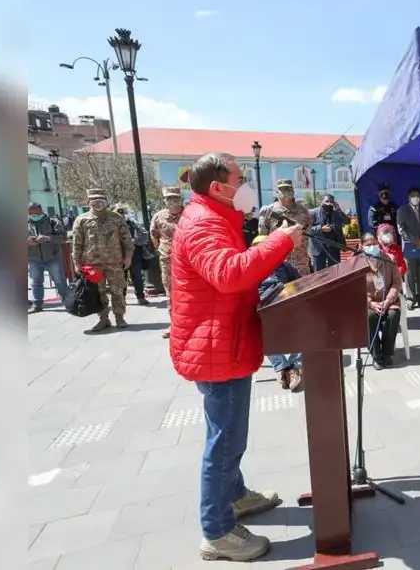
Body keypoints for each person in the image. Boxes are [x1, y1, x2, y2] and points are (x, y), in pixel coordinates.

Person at [170, 152, 303, 561]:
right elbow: (230, 275)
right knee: (225, 441)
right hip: (214, 345)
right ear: (218, 188)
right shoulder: (204, 222)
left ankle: (236, 496)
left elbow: (229, 269)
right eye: (240, 179)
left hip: (221, 338)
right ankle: (218, 532)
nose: (246, 186)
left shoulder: (213, 216)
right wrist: (282, 242)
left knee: (228, 434)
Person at [71, 189, 134, 332]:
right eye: (94, 200)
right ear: (88, 202)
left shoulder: (116, 218)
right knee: (98, 293)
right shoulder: (82, 220)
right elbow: (77, 243)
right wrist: (77, 262)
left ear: (106, 200)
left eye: (101, 199)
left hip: (115, 262)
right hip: (92, 264)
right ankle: (103, 319)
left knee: (117, 290)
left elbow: (127, 239)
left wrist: (128, 256)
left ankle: (120, 317)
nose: (98, 203)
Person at [253, 234, 304, 390]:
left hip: (286, 305)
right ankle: (283, 368)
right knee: (263, 334)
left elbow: (300, 283)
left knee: (303, 326)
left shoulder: (284, 266)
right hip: (263, 308)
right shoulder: (251, 268)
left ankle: (294, 365)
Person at [358, 232, 403, 369]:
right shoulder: (357, 262)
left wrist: (388, 300)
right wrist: (370, 303)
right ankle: (376, 356)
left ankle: (387, 353)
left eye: (374, 243)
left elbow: (397, 282)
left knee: (393, 315)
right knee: (369, 318)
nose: (372, 246)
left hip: (389, 300)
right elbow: (355, 289)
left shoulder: (389, 259)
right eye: (368, 244)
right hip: (368, 303)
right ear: (361, 246)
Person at [150, 186, 185, 338]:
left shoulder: (189, 215)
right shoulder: (158, 217)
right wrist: (164, 250)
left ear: (180, 198)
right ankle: (175, 326)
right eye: (169, 198)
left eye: (175, 198)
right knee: (171, 294)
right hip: (167, 261)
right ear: (164, 200)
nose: (172, 201)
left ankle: (190, 326)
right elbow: (154, 235)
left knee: (189, 294)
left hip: (187, 262)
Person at [259, 180, 312, 276]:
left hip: (300, 264)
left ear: (293, 191)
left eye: (288, 188)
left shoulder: (303, 211)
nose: (286, 191)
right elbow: (262, 238)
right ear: (277, 192)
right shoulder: (269, 211)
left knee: (304, 290)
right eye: (282, 189)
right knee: (281, 291)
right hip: (278, 264)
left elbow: (308, 234)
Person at [27, 201, 70, 313]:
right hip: (33, 258)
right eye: (30, 213)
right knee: (36, 282)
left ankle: (68, 302)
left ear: (40, 209)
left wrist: (47, 238)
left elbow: (63, 238)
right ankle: (37, 305)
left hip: (53, 257)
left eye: (35, 212)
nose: (33, 215)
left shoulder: (53, 221)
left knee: (59, 280)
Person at [396, 186, 420, 309]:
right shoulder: (402, 210)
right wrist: (415, 240)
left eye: (418, 196)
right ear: (409, 197)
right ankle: (410, 299)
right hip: (409, 247)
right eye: (413, 196)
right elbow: (401, 228)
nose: (415, 198)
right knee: (410, 274)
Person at [114, 204, 152, 306]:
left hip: (134, 254)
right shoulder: (113, 225)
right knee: (122, 277)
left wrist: (135, 241)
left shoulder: (132, 223)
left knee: (136, 277)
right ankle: (123, 298)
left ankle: (140, 297)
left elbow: (144, 234)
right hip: (119, 255)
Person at [309, 194, 348, 272]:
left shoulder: (336, 212)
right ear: (321, 202)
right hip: (319, 247)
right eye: (326, 201)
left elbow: (347, 221)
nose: (329, 203)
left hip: (334, 246)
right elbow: (307, 229)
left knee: (335, 272)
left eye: (331, 202)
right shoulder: (313, 212)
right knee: (319, 274)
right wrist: (321, 229)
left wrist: (338, 209)